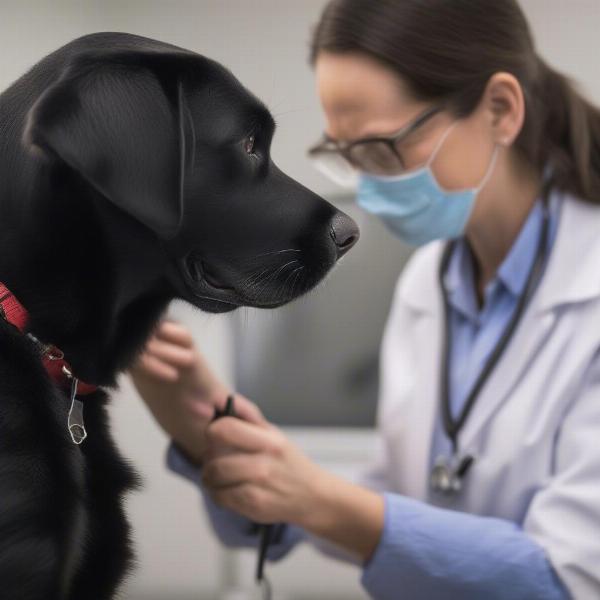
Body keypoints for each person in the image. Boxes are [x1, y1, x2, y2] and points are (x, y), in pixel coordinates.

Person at [129, 0, 600, 598]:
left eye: (383, 150)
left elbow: (570, 578)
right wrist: (211, 430)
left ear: (500, 109)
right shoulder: (431, 283)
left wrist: (319, 498)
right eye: (347, 155)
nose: (369, 189)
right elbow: (402, 507)